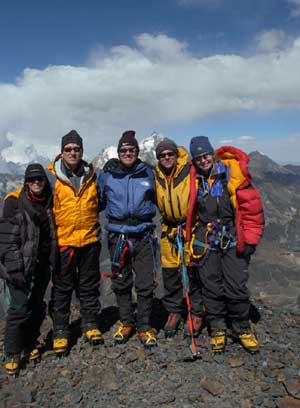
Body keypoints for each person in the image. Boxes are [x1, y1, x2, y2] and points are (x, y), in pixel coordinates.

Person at [186, 136, 264, 353]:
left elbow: (252, 210)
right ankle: (218, 328)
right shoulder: (193, 181)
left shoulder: (232, 175)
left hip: (231, 236)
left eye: (206, 155)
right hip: (206, 239)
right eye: (198, 157)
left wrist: (250, 239)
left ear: (213, 154)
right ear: (194, 160)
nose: (203, 160)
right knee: (210, 285)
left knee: (236, 284)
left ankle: (242, 328)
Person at [98, 130, 157, 348]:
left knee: (144, 283)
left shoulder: (148, 173)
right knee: (121, 282)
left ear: (137, 152)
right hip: (118, 237)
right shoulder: (108, 175)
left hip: (143, 235)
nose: (128, 153)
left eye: (132, 150)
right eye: (123, 150)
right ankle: (126, 323)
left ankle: (143, 327)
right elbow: (100, 200)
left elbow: (159, 199)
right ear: (118, 152)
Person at [47, 130, 102, 356]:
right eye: (68, 149)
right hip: (64, 243)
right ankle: (61, 330)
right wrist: (12, 199)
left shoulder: (92, 176)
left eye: (76, 149)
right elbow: (36, 195)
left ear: (81, 151)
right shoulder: (53, 178)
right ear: (62, 152)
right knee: (62, 289)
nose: (72, 152)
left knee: (89, 286)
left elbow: (102, 203)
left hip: (89, 240)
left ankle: (90, 324)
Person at [0, 164, 55, 375]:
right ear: (26, 182)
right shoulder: (14, 202)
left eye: (39, 179)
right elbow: (6, 239)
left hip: (41, 263)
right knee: (19, 308)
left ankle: (30, 343)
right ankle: (13, 352)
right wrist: (15, 270)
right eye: (32, 180)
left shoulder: (48, 200)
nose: (36, 183)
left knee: (36, 305)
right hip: (20, 265)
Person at [154, 138, 204, 338]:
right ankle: (174, 312)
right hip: (168, 230)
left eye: (170, 154)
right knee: (170, 275)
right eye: (162, 155)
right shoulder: (156, 175)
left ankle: (197, 313)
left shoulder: (190, 170)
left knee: (193, 272)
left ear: (176, 155)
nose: (167, 158)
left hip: (190, 228)